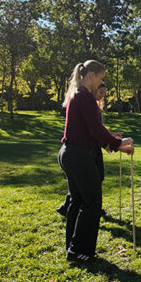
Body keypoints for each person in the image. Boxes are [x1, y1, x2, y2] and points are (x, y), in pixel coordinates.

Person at [58, 61, 134, 263]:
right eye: (101, 77)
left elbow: (91, 132)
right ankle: (80, 250)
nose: (102, 82)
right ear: (91, 75)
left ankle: (73, 249)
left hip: (70, 153)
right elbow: (96, 130)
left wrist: (112, 142)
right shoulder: (85, 97)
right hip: (79, 156)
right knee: (91, 203)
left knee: (77, 201)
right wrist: (118, 143)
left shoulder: (77, 94)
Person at [57, 82, 110, 217]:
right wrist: (113, 142)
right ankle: (74, 208)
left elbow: (98, 131)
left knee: (95, 179)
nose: (102, 96)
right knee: (83, 188)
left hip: (92, 149)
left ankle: (81, 209)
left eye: (104, 93)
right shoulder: (85, 101)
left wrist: (110, 140)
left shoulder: (93, 104)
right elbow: (93, 131)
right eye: (100, 92)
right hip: (82, 152)